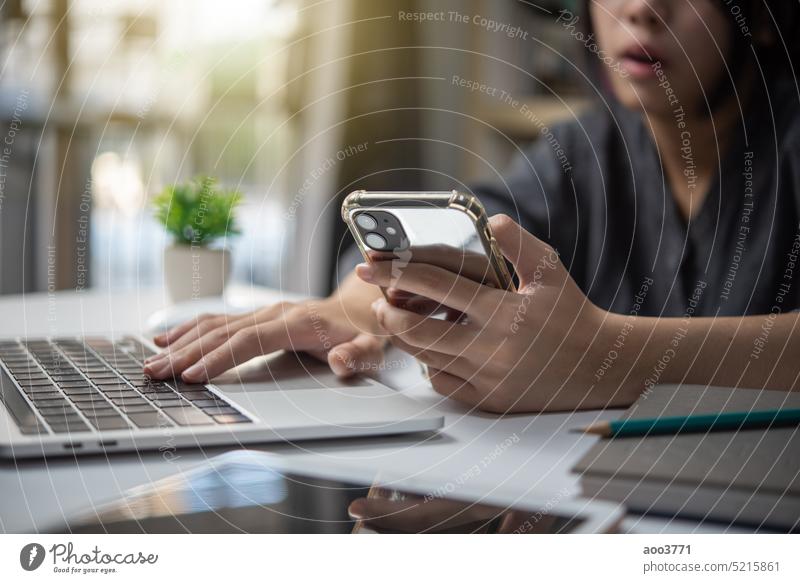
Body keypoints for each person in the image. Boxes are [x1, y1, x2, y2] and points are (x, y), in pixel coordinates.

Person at [144, 0, 800, 413]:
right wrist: (356, 310)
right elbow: (474, 221)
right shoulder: (588, 148)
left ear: (762, 18)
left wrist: (612, 357)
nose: (642, 8)